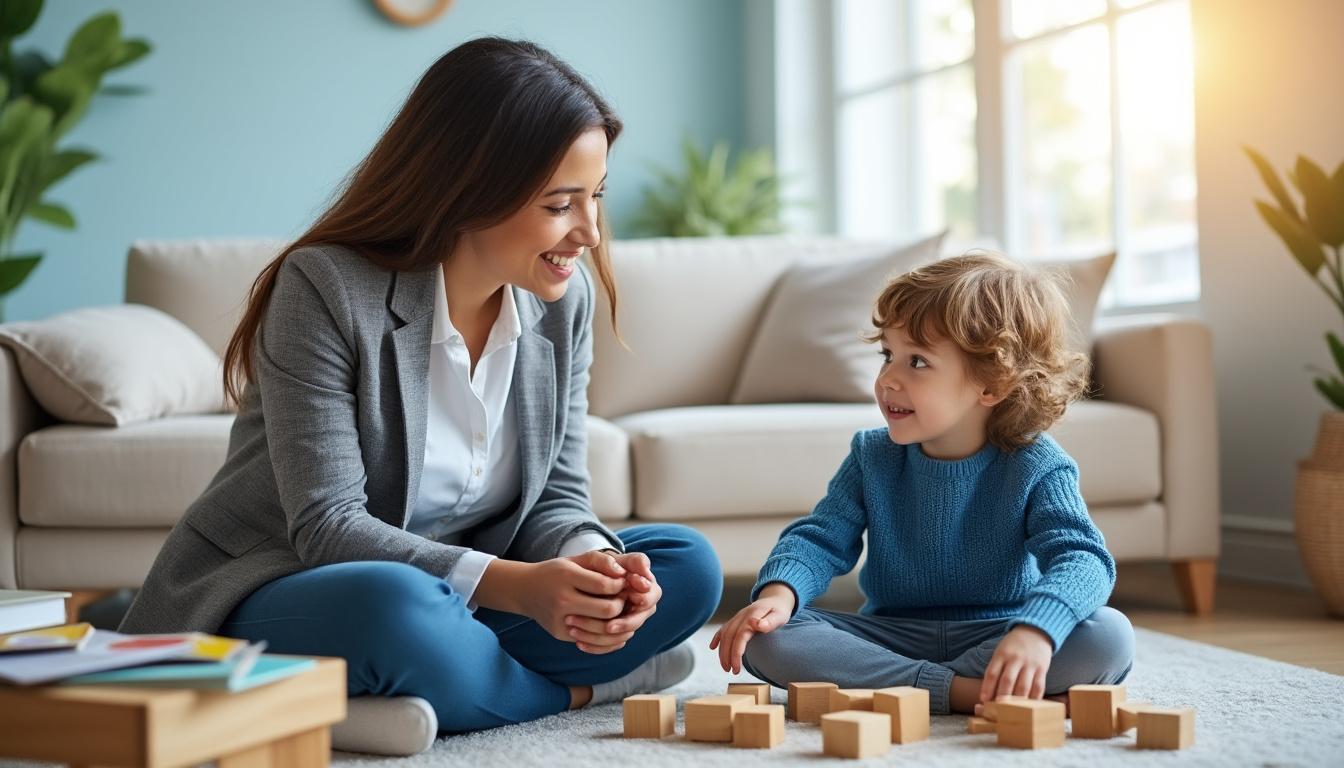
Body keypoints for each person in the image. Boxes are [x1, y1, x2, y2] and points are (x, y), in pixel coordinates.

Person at [120, 37, 721, 733]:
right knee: (398, 610)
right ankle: (579, 690)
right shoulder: (325, 288)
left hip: (462, 592)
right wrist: (521, 589)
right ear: (470, 192)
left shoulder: (564, 302)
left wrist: (589, 569)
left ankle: (437, 685)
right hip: (288, 579)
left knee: (686, 567)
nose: (588, 233)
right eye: (560, 205)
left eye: (596, 198)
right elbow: (328, 527)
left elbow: (556, 495)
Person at [711, 253, 1133, 716]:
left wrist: (1035, 631)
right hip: (892, 633)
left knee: (1110, 636)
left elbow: (1083, 559)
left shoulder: (1037, 464)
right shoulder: (872, 456)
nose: (888, 378)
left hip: (999, 632)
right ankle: (964, 693)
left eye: (917, 361)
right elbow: (819, 539)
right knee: (769, 640)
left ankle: (920, 686)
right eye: (887, 355)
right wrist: (779, 594)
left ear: (991, 385)